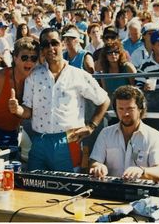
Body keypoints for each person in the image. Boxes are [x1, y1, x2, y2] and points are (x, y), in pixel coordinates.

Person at [9, 28, 110, 172]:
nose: (50, 48)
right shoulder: (33, 76)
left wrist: (91, 126)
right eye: (45, 44)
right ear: (41, 49)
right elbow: (28, 111)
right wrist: (18, 110)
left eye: (54, 43)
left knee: (67, 188)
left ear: (62, 44)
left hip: (68, 142)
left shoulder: (78, 75)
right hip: (39, 143)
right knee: (34, 187)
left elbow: (104, 100)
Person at [89, 85, 159, 182]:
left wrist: (142, 171)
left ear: (141, 108)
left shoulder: (155, 136)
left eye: (130, 109)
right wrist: (98, 166)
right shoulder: (105, 133)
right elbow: (94, 161)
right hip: (111, 191)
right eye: (121, 109)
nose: (125, 114)